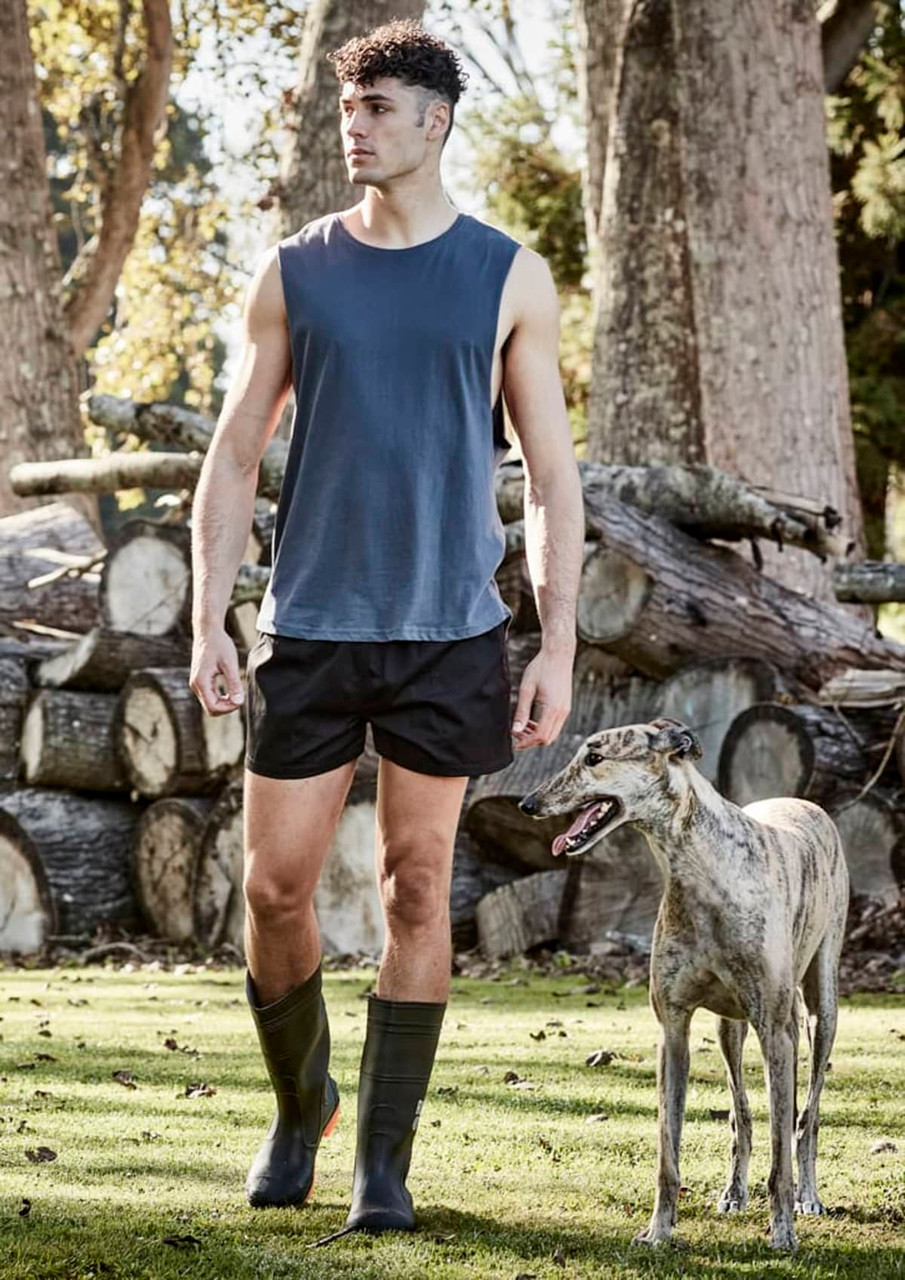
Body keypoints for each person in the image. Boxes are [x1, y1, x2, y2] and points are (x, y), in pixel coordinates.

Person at [189, 18, 584, 1238]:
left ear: (434, 123)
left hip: (448, 631)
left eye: (375, 112)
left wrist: (556, 639)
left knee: (418, 887)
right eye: (346, 110)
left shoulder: (508, 274)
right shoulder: (295, 270)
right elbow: (236, 449)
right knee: (274, 885)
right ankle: (299, 1103)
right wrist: (209, 613)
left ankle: (381, 1159)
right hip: (309, 626)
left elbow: (552, 477)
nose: (352, 129)